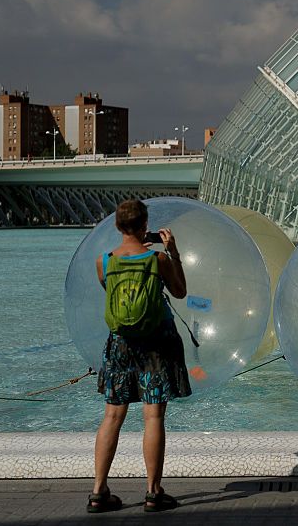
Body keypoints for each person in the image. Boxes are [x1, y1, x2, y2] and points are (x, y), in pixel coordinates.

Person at [86, 199, 190, 513]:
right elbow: (181, 291)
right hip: (157, 343)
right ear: (145, 226)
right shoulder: (157, 258)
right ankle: (153, 492)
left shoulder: (103, 262)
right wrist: (173, 252)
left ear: (118, 226)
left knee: (112, 416)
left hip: (120, 344)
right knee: (153, 416)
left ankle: (98, 491)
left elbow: (117, 299)